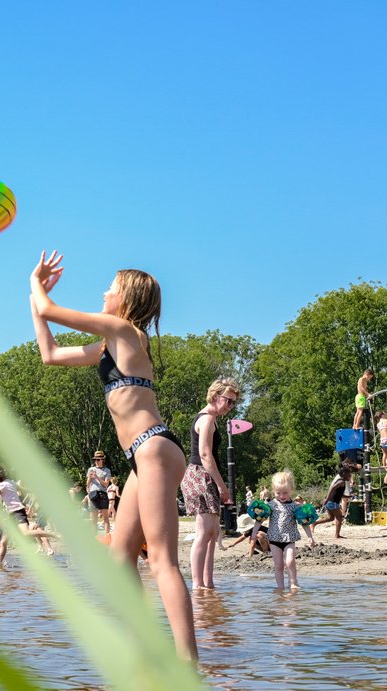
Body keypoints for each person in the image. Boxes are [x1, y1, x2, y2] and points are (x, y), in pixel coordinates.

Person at [29, 249, 198, 661]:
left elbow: (50, 308)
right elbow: (49, 354)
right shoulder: (110, 345)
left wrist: (35, 284)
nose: (103, 292)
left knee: (161, 561)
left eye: (110, 287)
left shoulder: (123, 330)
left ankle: (189, 663)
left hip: (154, 447)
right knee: (122, 557)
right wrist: (32, 301)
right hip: (142, 456)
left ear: (126, 299)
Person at [182, 378, 241, 591]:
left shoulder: (212, 419)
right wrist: (223, 486)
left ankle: (208, 584)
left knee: (212, 533)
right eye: (229, 401)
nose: (230, 406)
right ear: (216, 396)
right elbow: (205, 455)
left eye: (234, 403)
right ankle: (198, 586)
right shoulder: (206, 419)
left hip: (203, 475)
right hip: (200, 475)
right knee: (204, 532)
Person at [248, 471, 314, 591]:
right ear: (273, 491)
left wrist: (310, 536)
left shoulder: (295, 506)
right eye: (278, 493)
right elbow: (259, 519)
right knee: (278, 565)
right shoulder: (271, 505)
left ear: (291, 490)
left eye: (285, 493)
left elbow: (304, 522)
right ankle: (280, 587)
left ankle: (293, 582)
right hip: (274, 539)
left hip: (289, 538)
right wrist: (253, 533)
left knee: (290, 562)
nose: (282, 496)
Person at [312, 464, 354, 539]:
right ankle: (337, 535)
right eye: (349, 474)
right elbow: (332, 488)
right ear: (344, 474)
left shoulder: (342, 482)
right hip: (332, 503)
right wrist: (327, 499)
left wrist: (349, 496)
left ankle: (315, 523)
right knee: (339, 517)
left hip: (331, 502)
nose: (350, 476)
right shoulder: (341, 481)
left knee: (331, 518)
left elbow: (339, 494)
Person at [86, 451, 113, 535]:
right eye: (95, 460)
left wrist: (97, 477)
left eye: (98, 459)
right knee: (94, 520)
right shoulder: (91, 469)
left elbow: (106, 485)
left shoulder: (107, 470)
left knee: (106, 518)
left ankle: (107, 537)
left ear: (102, 460)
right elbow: (87, 484)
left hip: (102, 495)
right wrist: (90, 478)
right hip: (93, 495)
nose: (96, 461)